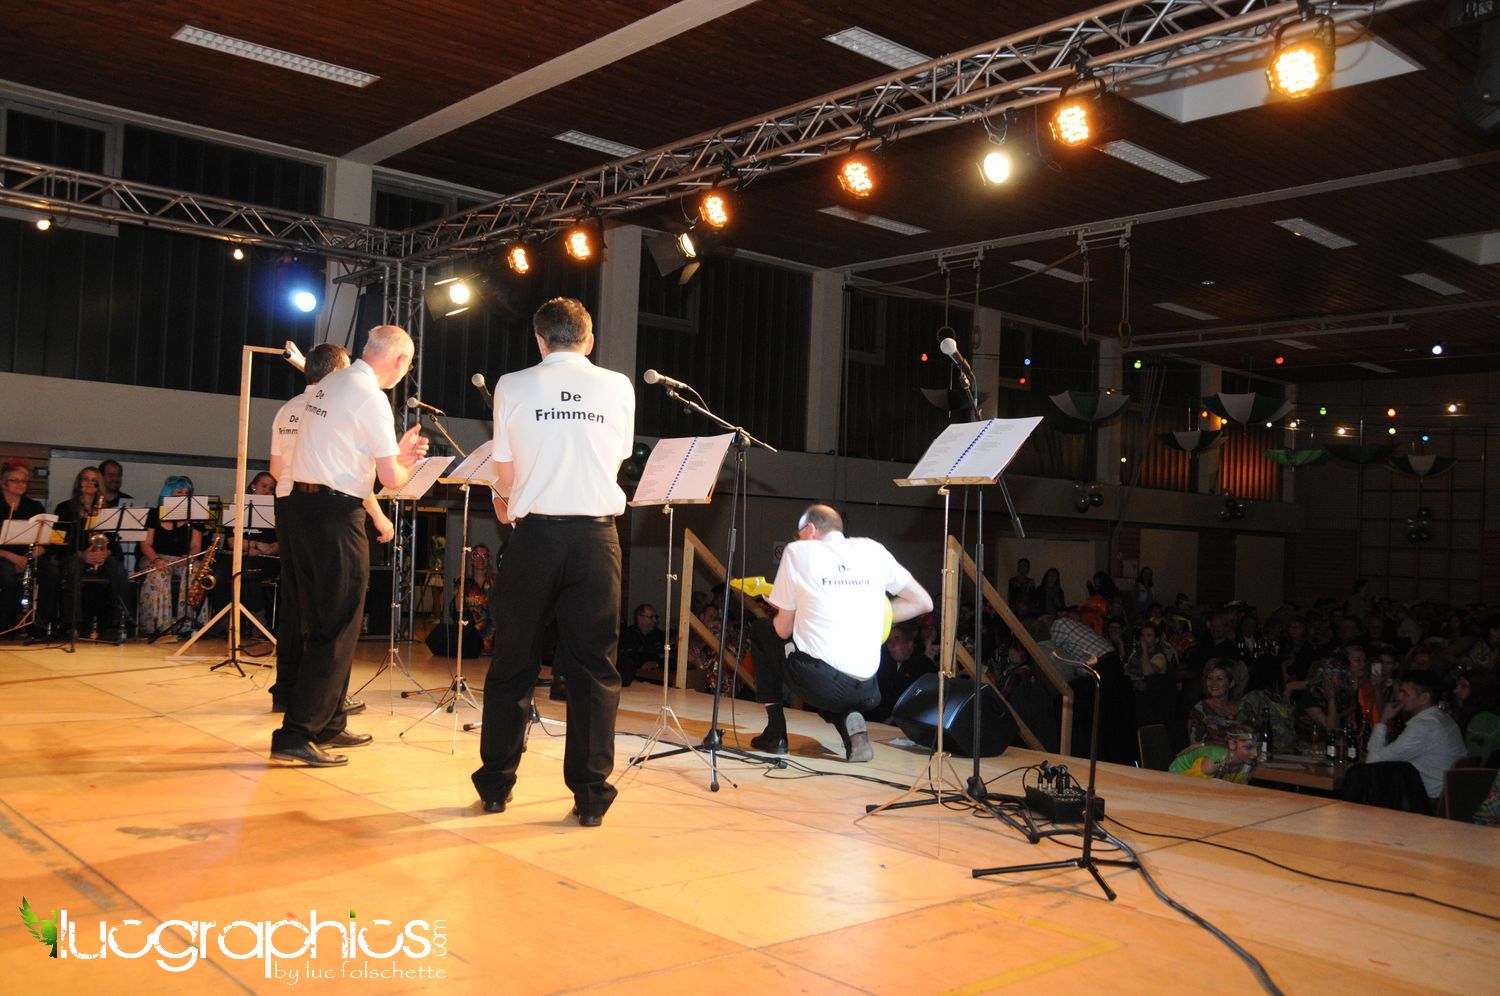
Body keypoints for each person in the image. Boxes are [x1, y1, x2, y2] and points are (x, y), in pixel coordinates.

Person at [472, 297, 635, 826]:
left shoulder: (512, 384)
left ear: (540, 341)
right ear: (590, 340)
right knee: (593, 668)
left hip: (536, 538)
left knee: (513, 661)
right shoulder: (619, 386)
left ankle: (495, 786)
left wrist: (515, 494)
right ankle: (590, 798)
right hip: (596, 539)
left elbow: (505, 474)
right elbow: (615, 457)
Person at [271, 325, 426, 767]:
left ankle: (329, 722)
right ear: (400, 360)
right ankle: (297, 732)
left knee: (321, 621)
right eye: (408, 364)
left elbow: (346, 456)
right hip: (336, 516)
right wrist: (407, 463)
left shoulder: (332, 382)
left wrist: (392, 458)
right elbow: (391, 479)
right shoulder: (371, 397)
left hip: (302, 510)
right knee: (337, 625)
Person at [746, 504, 933, 762]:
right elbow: (923, 602)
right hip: (868, 689)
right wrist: (870, 615)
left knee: (762, 630)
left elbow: (782, 629)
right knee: (818, 665)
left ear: (811, 529)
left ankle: (775, 733)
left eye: (799, 534)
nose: (797, 540)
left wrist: (788, 608)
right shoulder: (874, 550)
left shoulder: (799, 551)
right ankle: (849, 724)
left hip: (823, 683)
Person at [266, 342, 390, 716]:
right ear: (338, 372)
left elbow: (275, 469)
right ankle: (321, 700)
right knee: (331, 610)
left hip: (289, 503)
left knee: (296, 600)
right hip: (328, 507)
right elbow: (353, 473)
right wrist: (378, 515)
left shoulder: (288, 409)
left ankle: (287, 689)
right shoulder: (339, 404)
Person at [1365, 669, 1466, 802]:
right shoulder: (1444, 718)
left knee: (1367, 785)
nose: (1399, 697)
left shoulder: (1423, 726)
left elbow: (1372, 763)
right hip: (1451, 798)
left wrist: (1383, 719)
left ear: (1424, 698)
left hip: (1429, 803)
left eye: (1405, 693)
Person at [55, 466, 131, 643]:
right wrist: (83, 555)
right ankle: (72, 623)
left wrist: (105, 553)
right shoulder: (64, 508)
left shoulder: (108, 510)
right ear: (78, 482)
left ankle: (119, 621)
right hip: (76, 555)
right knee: (73, 567)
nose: (89, 483)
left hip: (101, 556)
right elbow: (60, 543)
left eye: (94, 480)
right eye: (85, 479)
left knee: (118, 569)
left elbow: (114, 542)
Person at [136, 475, 204, 638]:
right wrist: (156, 560)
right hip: (155, 556)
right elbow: (145, 544)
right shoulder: (154, 514)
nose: (183, 496)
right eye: (179, 492)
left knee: (195, 572)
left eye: (186, 493)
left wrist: (188, 558)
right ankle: (159, 626)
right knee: (158, 575)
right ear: (167, 493)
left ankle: (188, 625)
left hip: (183, 558)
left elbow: (196, 546)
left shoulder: (195, 515)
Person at [1, 459, 57, 637]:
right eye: (15, 480)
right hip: (4, 556)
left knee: (51, 574)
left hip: (28, 556)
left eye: (24, 481)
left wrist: (30, 557)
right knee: (7, 576)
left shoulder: (34, 507)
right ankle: (6, 626)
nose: (21, 484)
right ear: (3, 483)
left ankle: (39, 626)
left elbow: (46, 541)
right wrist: (15, 558)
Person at [1187, 659, 1252, 746]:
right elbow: (1195, 747)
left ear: (1231, 683)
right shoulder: (1199, 711)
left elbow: (1256, 739)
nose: (1213, 683)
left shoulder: (1244, 708)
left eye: (1219, 679)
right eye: (1209, 678)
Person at [1169, 725, 1260, 783]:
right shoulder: (1214, 763)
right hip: (1178, 776)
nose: (1255, 754)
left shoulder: (1246, 763)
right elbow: (1194, 784)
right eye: (1248, 748)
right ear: (1232, 744)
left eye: (1258, 748)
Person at [454, 543, 497, 656]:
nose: (480, 559)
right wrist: (461, 585)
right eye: (476, 555)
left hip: (492, 637)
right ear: (471, 560)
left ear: (489, 561)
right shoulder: (465, 581)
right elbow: (457, 609)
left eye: (485, 556)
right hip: (470, 636)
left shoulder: (495, 581)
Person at [616, 603, 663, 687]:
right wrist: (642, 664)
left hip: (657, 681)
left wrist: (656, 663)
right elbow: (626, 659)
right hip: (633, 680)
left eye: (656, 617)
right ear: (639, 618)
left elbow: (668, 657)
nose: (655, 620)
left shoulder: (660, 635)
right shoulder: (627, 635)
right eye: (651, 617)